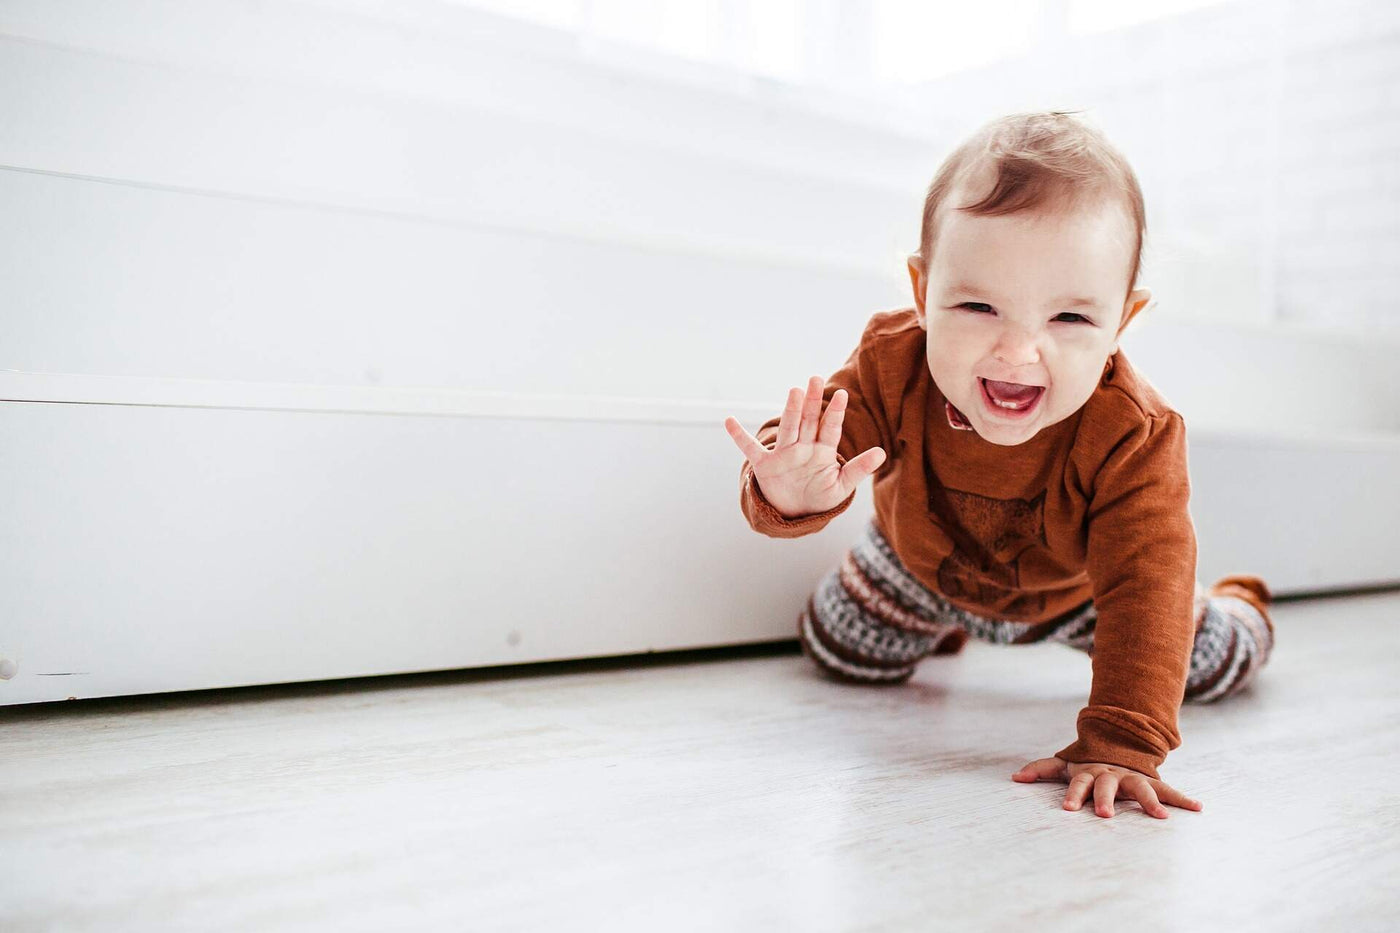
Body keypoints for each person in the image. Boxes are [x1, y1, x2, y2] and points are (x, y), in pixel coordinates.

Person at [722, 111, 1275, 821]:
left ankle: (1241, 607)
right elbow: (823, 438)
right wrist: (790, 486)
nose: (1017, 352)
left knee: (1202, 664)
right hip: (914, 566)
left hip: (1078, 594)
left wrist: (1121, 740)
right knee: (839, 651)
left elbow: (1144, 583)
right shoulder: (893, 363)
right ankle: (944, 625)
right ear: (923, 295)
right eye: (979, 305)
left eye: (1070, 320)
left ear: (1121, 323)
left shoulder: (1133, 432)